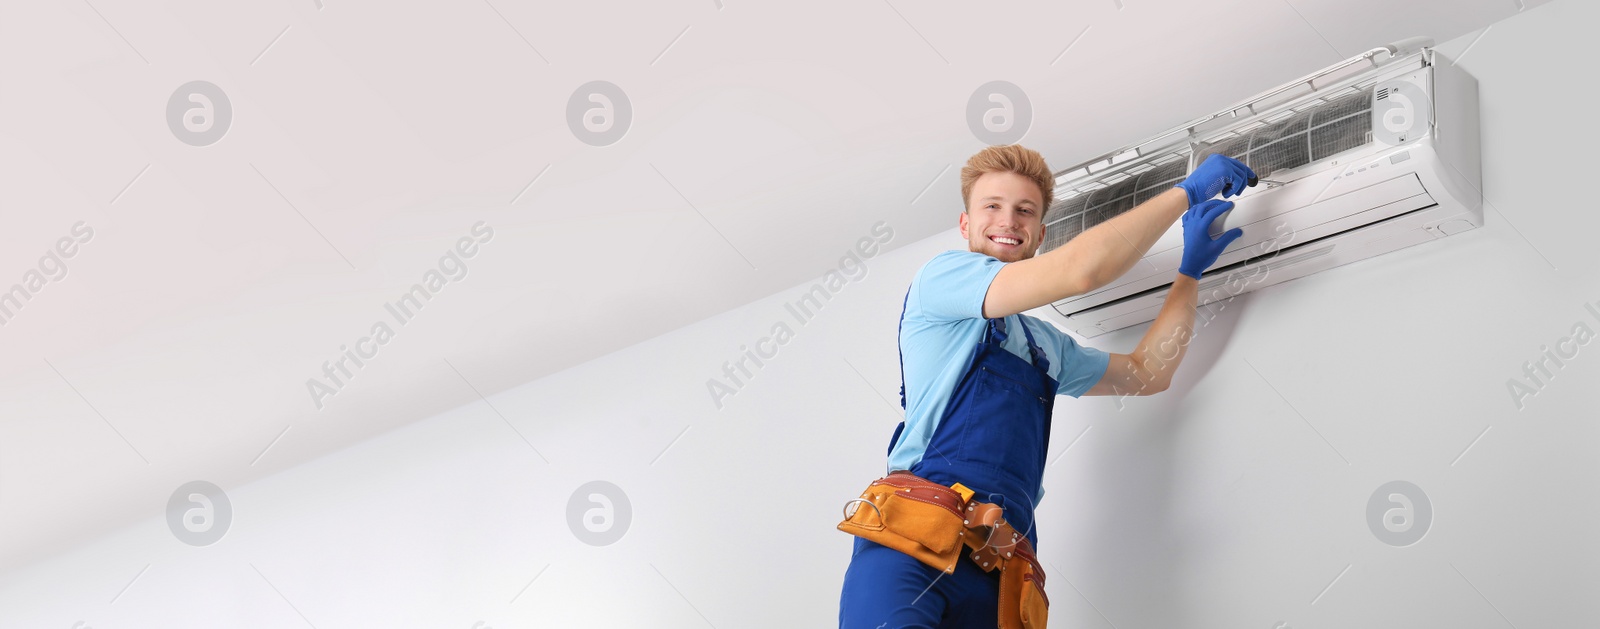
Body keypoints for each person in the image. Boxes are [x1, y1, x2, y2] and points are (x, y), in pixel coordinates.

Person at [837, 144, 1255, 627]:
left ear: (1039, 235)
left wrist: (1189, 275)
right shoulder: (942, 282)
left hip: (1001, 570)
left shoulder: (1046, 347)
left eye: (1025, 211)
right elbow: (1083, 271)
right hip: (915, 542)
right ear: (966, 225)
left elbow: (1148, 373)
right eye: (991, 206)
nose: (1008, 220)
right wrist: (1186, 193)